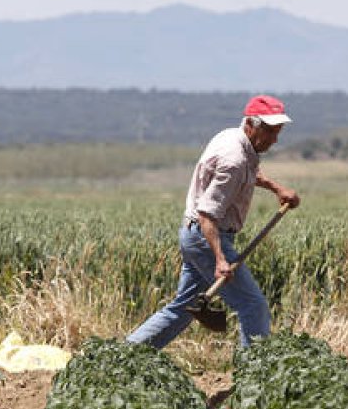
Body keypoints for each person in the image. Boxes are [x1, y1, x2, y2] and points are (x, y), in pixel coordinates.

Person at [127, 94, 301, 349]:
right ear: (252, 125)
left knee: (184, 308)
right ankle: (254, 377)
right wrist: (220, 258)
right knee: (253, 305)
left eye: (278, 132)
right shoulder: (234, 159)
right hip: (206, 235)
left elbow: (249, 172)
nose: (275, 139)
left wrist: (276, 188)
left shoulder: (233, 137)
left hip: (196, 235)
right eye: (271, 132)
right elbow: (207, 213)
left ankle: (126, 353)